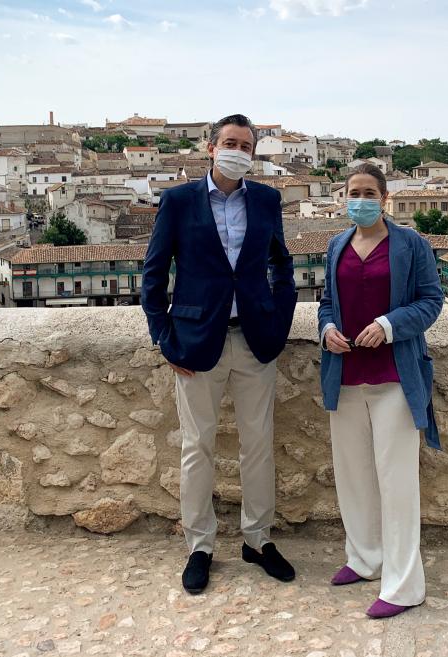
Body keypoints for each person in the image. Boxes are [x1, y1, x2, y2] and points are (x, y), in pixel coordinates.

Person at [141, 114, 298, 595]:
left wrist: (279, 321)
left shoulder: (268, 200)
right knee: (197, 447)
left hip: (254, 339)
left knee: (258, 443)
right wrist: (163, 339)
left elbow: (282, 265)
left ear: (254, 153)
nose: (238, 150)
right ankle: (200, 546)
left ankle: (257, 539)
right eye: (230, 142)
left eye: (246, 145)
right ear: (211, 148)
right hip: (195, 340)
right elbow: (152, 274)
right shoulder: (178, 201)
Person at [318, 163, 443, 619]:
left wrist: (389, 326)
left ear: (385, 198)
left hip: (395, 376)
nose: (361, 199)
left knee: (397, 482)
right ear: (343, 197)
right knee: (352, 475)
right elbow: (327, 302)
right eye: (354, 192)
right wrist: (327, 327)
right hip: (345, 375)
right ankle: (365, 558)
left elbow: (432, 302)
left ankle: (405, 585)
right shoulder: (335, 245)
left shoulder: (412, 245)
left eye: (370, 192)